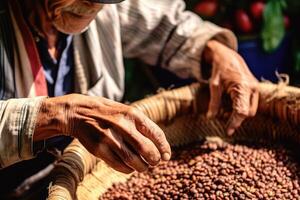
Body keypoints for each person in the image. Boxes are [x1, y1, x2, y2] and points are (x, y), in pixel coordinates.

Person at [0, 0, 258, 182]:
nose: (94, 5)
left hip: (88, 173)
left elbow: (165, 25)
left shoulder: (102, 7)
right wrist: (62, 114)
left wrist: (217, 52)